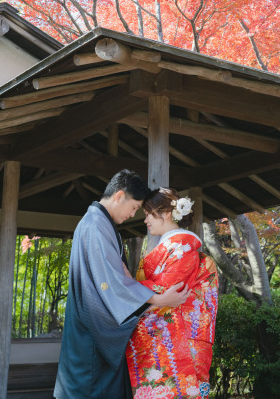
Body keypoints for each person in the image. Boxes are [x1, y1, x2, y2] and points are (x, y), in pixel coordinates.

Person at [54, 170, 189, 399]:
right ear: (119, 196)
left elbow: (115, 278)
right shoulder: (95, 226)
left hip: (92, 328)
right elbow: (110, 282)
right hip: (93, 333)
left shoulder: (98, 223)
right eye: (135, 207)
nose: (134, 214)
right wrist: (158, 299)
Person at [126, 187, 219, 399]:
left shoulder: (183, 245)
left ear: (166, 213)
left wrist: (127, 284)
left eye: (149, 214)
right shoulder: (173, 245)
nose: (145, 220)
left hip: (185, 338)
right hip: (182, 335)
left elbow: (168, 289)